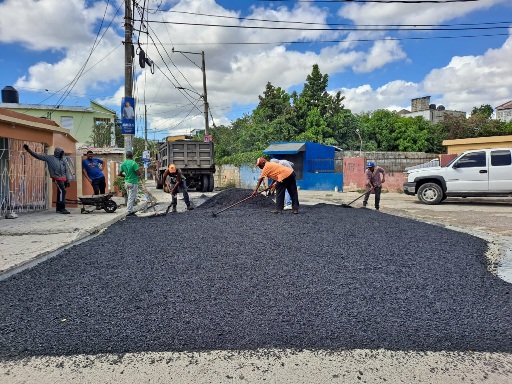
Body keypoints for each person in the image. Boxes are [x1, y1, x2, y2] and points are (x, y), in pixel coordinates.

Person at [23, 144, 72, 214]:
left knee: (60, 192)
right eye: (61, 152)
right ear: (57, 152)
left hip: (64, 178)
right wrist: (29, 150)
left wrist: (68, 179)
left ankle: (58, 208)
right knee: (62, 191)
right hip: (56, 177)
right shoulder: (49, 158)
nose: (62, 153)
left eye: (62, 152)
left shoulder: (63, 159)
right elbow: (38, 156)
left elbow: (66, 169)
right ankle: (62, 208)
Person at [118, 151, 141, 216]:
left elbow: (119, 174)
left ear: (126, 156)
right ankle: (129, 211)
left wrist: (125, 176)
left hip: (126, 182)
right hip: (133, 183)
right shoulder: (133, 163)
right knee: (131, 197)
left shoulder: (123, 164)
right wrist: (139, 175)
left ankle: (131, 210)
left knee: (130, 197)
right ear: (132, 156)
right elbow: (138, 173)